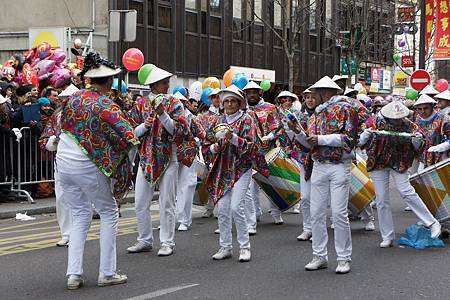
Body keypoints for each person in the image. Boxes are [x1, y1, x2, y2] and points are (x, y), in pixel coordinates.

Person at [56, 52, 139, 289]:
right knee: (109, 212)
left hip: (63, 164)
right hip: (86, 166)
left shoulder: (72, 99)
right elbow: (130, 137)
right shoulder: (106, 104)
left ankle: (73, 275)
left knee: (80, 215)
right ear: (110, 81)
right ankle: (107, 273)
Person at [127, 65, 196, 256]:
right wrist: (143, 126)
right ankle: (144, 239)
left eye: (167, 82)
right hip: (146, 159)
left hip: (168, 158)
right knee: (140, 202)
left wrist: (162, 114)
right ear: (153, 85)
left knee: (167, 202)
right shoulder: (140, 104)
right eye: (163, 82)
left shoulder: (175, 103)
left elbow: (179, 131)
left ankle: (167, 242)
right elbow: (130, 133)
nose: (167, 85)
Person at [358, 101, 442, 249]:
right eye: (394, 118)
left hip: (400, 162)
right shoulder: (374, 122)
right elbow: (359, 142)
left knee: (406, 191)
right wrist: (364, 137)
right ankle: (387, 236)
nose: (397, 121)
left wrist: (416, 142)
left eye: (400, 118)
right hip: (378, 162)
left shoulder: (408, 125)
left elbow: (421, 144)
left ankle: (432, 223)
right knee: (382, 199)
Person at [303, 76, 358, 274]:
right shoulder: (315, 115)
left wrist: (320, 139)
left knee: (338, 213)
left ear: (324, 93)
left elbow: (349, 139)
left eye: (315, 93)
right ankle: (319, 256)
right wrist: (297, 133)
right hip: (319, 165)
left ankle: (344, 258)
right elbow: (309, 142)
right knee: (316, 212)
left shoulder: (346, 109)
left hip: (339, 165)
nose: (312, 97)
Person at [204, 85, 257, 262]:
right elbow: (207, 145)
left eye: (233, 101)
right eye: (226, 101)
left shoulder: (247, 120)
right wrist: (214, 147)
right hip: (223, 168)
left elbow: (251, 146)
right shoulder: (217, 121)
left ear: (239, 102)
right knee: (223, 208)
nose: (229, 104)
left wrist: (232, 138)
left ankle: (244, 247)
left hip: (241, 168)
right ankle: (225, 246)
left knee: (236, 207)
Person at [243, 81, 284, 225]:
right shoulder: (243, 110)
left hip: (268, 152)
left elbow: (279, 127)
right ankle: (255, 213)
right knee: (251, 185)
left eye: (254, 92)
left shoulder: (270, 108)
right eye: (249, 92)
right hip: (251, 154)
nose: (251, 95)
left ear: (260, 93)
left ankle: (275, 212)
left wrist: (270, 136)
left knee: (272, 183)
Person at [283, 88, 317, 241]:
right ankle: (307, 228)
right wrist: (290, 129)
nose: (310, 100)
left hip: (321, 161)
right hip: (305, 161)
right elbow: (292, 138)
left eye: (313, 97)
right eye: (307, 97)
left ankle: (318, 228)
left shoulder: (323, 116)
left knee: (320, 199)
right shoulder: (299, 117)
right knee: (305, 197)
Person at [173, 91, 205, 231]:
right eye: (176, 101)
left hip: (188, 156)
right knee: (169, 189)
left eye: (181, 102)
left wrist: (195, 142)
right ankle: (168, 219)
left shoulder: (191, 118)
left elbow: (202, 134)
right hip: (171, 155)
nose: (179, 104)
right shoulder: (166, 117)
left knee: (187, 186)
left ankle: (185, 220)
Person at [197, 88, 221, 218]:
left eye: (219, 96)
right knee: (209, 178)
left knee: (218, 178)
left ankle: (217, 207)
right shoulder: (202, 116)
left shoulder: (224, 115)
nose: (217, 99)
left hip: (221, 150)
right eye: (214, 97)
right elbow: (199, 132)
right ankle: (209, 207)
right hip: (207, 151)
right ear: (210, 99)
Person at [412, 94, 450, 170]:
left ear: (432, 107)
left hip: (442, 159)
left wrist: (444, 146)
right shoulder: (418, 119)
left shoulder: (444, 119)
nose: (422, 111)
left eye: (426, 108)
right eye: (419, 109)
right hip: (423, 159)